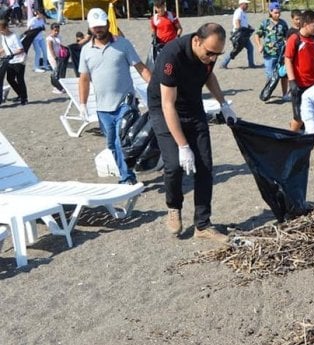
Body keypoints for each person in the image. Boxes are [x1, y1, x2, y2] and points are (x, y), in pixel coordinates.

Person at [148, 23, 236, 242]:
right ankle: (174, 207)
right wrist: (183, 146)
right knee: (174, 165)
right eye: (210, 53)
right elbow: (168, 105)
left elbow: (208, 77)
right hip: (164, 109)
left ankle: (203, 225)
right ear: (197, 41)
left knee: (205, 166)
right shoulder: (171, 56)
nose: (213, 58)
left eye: (218, 54)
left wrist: (223, 103)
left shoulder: (208, 55)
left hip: (193, 106)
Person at [78, 8, 151, 185]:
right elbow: (84, 79)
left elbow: (140, 68)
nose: (99, 30)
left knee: (120, 142)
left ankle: (127, 179)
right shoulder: (86, 51)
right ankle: (128, 173)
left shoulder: (123, 44)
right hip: (103, 108)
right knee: (111, 144)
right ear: (90, 28)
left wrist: (157, 87)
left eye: (101, 26)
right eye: (95, 27)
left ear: (108, 24)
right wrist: (82, 104)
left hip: (125, 103)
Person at [284, 9, 314, 132]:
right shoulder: (295, 39)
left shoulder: (313, 39)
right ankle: (289, 140)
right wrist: (292, 81)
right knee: (298, 117)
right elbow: (288, 59)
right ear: (305, 24)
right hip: (299, 84)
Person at [254, 2, 289, 99]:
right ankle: (267, 93)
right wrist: (259, 45)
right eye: (275, 13)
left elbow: (287, 36)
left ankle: (285, 94)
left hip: (282, 54)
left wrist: (287, 42)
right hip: (269, 54)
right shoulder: (265, 23)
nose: (277, 15)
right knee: (270, 75)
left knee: (283, 74)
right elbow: (257, 35)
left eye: (279, 12)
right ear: (270, 12)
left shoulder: (283, 23)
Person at [220, 0, 255, 69]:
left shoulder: (243, 12)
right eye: (246, 4)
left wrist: (248, 27)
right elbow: (237, 22)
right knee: (236, 50)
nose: (247, 5)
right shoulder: (238, 12)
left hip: (244, 34)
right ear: (241, 4)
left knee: (250, 48)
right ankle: (223, 63)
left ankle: (251, 64)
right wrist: (240, 32)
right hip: (239, 34)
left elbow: (243, 23)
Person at [0, 18, 28, 105]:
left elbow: (21, 49)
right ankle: (20, 94)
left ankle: (24, 98)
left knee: (20, 79)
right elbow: (5, 47)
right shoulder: (3, 36)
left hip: (19, 60)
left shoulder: (14, 36)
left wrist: (12, 54)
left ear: (6, 28)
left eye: (0, 29)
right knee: (10, 79)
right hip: (10, 61)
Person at [46, 22, 67, 94]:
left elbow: (60, 45)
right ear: (51, 30)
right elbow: (51, 49)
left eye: (58, 30)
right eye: (55, 30)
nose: (56, 32)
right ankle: (56, 87)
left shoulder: (59, 37)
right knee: (56, 71)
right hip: (53, 57)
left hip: (59, 56)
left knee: (60, 71)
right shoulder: (49, 39)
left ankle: (60, 86)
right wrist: (55, 58)